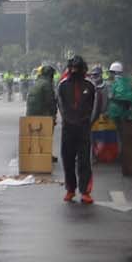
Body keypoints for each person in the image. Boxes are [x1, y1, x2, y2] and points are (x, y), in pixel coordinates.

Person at [57, 56, 102, 203]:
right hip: (68, 128)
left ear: (83, 69)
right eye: (72, 68)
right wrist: (67, 120)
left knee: (84, 160)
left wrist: (89, 121)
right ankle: (70, 189)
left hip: (83, 128)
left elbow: (96, 105)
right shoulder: (63, 85)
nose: (74, 71)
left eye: (78, 68)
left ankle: (85, 191)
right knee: (68, 159)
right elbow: (61, 105)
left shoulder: (90, 85)